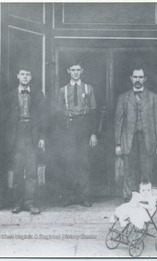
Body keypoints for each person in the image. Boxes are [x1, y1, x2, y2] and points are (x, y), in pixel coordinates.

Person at [114, 66, 157, 202]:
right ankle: (129, 197)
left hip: (147, 139)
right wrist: (118, 143)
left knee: (146, 168)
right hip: (128, 139)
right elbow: (118, 122)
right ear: (131, 78)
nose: (138, 80)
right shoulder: (123, 97)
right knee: (129, 168)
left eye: (140, 77)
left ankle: (145, 197)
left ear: (145, 79)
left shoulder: (154, 98)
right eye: (135, 77)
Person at [2, 66, 46, 214]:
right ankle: (17, 203)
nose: (25, 77)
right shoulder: (9, 96)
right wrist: (10, 139)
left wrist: (41, 137)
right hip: (17, 135)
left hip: (32, 135)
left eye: (28, 74)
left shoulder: (38, 95)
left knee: (32, 171)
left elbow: (42, 118)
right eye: (22, 74)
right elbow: (5, 120)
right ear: (18, 76)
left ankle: (30, 203)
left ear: (31, 77)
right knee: (18, 170)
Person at [57, 60, 97, 207]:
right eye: (73, 69)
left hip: (84, 125)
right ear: (68, 71)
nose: (75, 72)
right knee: (70, 162)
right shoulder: (63, 90)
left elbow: (93, 112)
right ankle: (70, 196)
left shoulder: (88, 88)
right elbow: (58, 114)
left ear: (82, 71)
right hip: (69, 126)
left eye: (78, 69)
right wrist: (62, 134)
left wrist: (93, 133)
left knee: (84, 162)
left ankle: (84, 196)